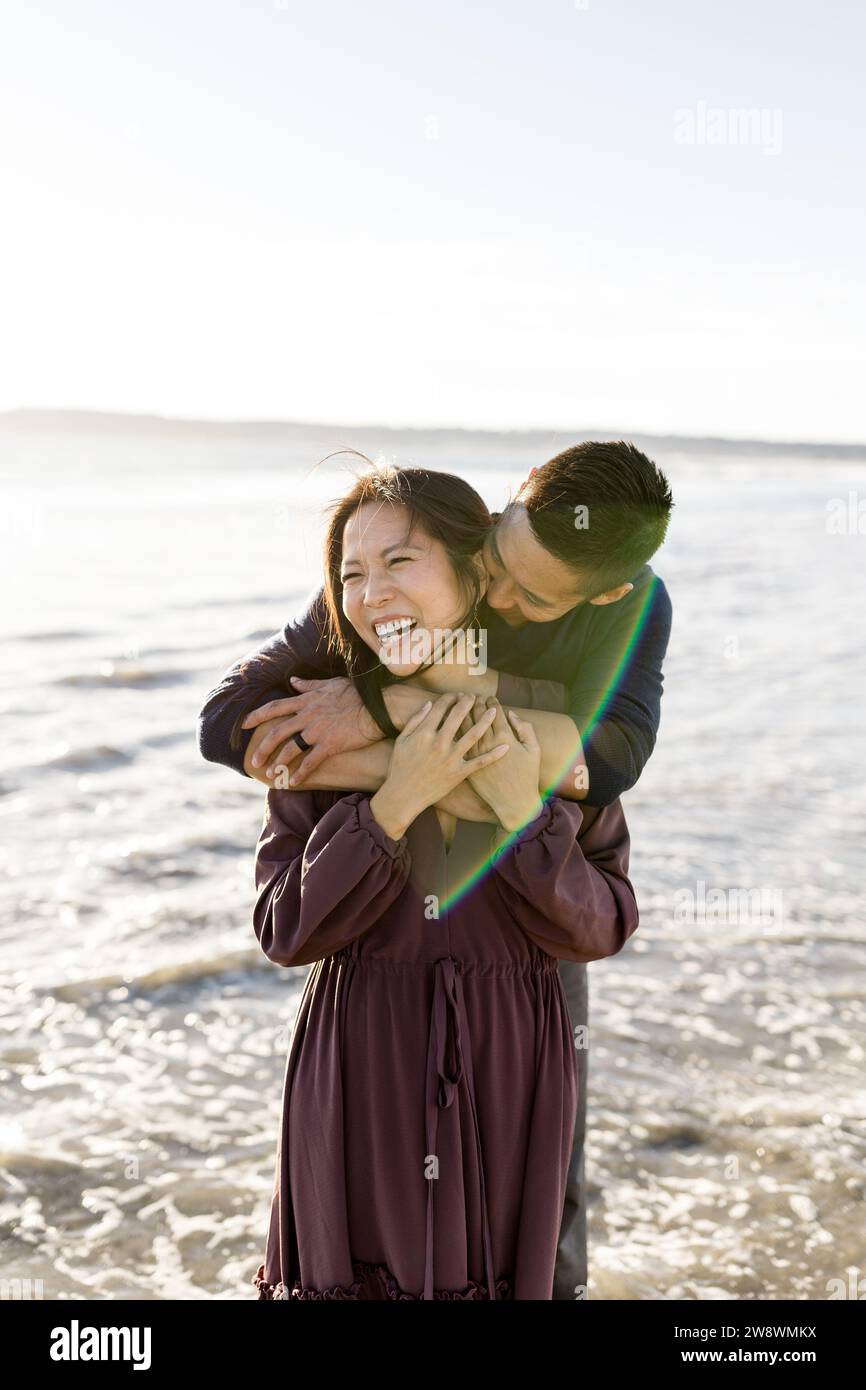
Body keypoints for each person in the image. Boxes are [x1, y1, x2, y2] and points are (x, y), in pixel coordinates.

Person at [198, 440, 673, 1297]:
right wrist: (402, 788)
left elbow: (605, 907)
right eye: (352, 574)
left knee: (527, 1240)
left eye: (401, 564)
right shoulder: (327, 696)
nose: (372, 592)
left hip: (514, 1040)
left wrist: (511, 801)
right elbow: (282, 921)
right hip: (360, 1051)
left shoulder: (566, 716)